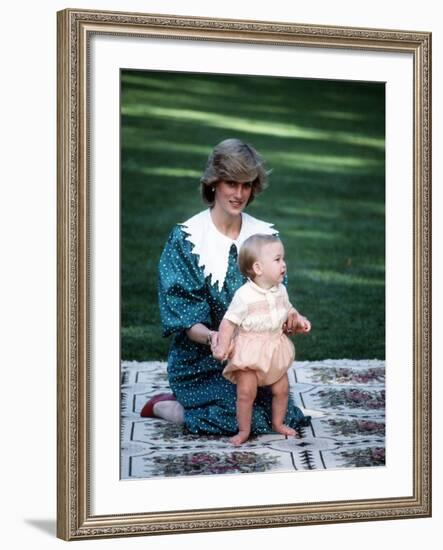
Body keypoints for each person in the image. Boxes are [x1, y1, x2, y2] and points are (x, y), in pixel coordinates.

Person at [140, 138, 311, 437]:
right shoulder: (187, 239)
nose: (239, 193)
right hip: (202, 360)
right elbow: (185, 317)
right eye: (231, 183)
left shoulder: (264, 237)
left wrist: (288, 321)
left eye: (246, 185)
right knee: (236, 418)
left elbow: (275, 299)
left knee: (284, 416)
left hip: (254, 360)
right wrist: (215, 338)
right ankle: (169, 407)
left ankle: (201, 408)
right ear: (214, 183)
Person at [212, 234, 311, 445]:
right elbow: (228, 322)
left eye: (283, 259)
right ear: (258, 268)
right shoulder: (244, 296)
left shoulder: (280, 290)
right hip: (250, 352)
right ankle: (244, 431)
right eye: (277, 260)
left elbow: (289, 309)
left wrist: (298, 319)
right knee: (246, 393)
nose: (284, 264)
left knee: (281, 389)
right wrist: (221, 346)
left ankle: (278, 423)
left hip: (273, 349)